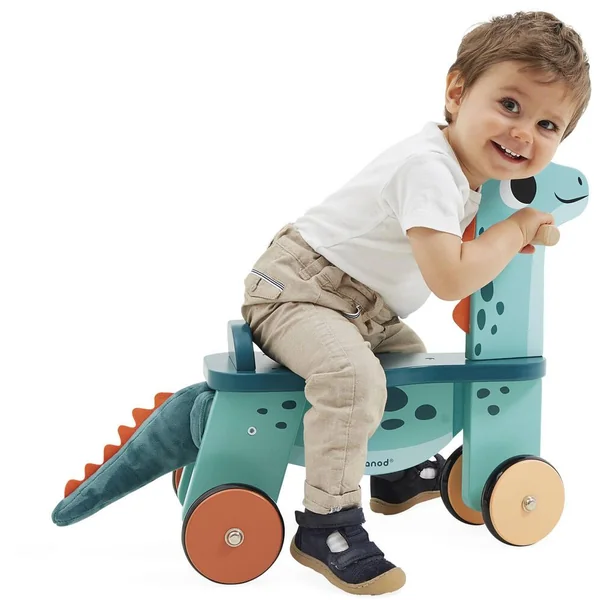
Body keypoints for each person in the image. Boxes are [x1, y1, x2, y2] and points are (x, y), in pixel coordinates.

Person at [241, 11, 590, 595]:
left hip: (367, 311)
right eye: (510, 105)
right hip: (300, 292)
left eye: (548, 124)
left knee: (415, 364)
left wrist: (520, 226)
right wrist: (517, 230)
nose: (524, 133)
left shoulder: (473, 175)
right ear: (457, 92)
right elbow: (451, 278)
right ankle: (327, 523)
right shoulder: (429, 169)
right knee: (354, 380)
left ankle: (395, 471)